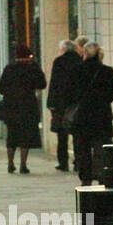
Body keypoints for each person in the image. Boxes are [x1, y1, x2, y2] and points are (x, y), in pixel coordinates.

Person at [69, 43, 113, 185]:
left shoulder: (76, 70)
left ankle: (85, 177)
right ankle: (101, 173)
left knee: (82, 148)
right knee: (100, 146)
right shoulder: (106, 71)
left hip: (82, 116)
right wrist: (101, 101)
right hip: (101, 116)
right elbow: (112, 92)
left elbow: (68, 91)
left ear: (84, 53)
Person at [0, 44, 47, 174]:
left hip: (11, 106)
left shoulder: (9, 68)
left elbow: (0, 88)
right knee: (25, 135)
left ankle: (10, 162)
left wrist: (11, 93)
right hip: (27, 105)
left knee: (12, 134)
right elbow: (42, 84)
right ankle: (23, 164)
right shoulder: (32, 68)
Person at [46, 40, 82, 173]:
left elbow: (54, 83)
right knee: (77, 134)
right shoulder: (80, 60)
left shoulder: (59, 62)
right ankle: (78, 161)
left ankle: (63, 162)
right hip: (76, 103)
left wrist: (51, 103)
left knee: (62, 135)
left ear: (64, 49)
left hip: (61, 103)